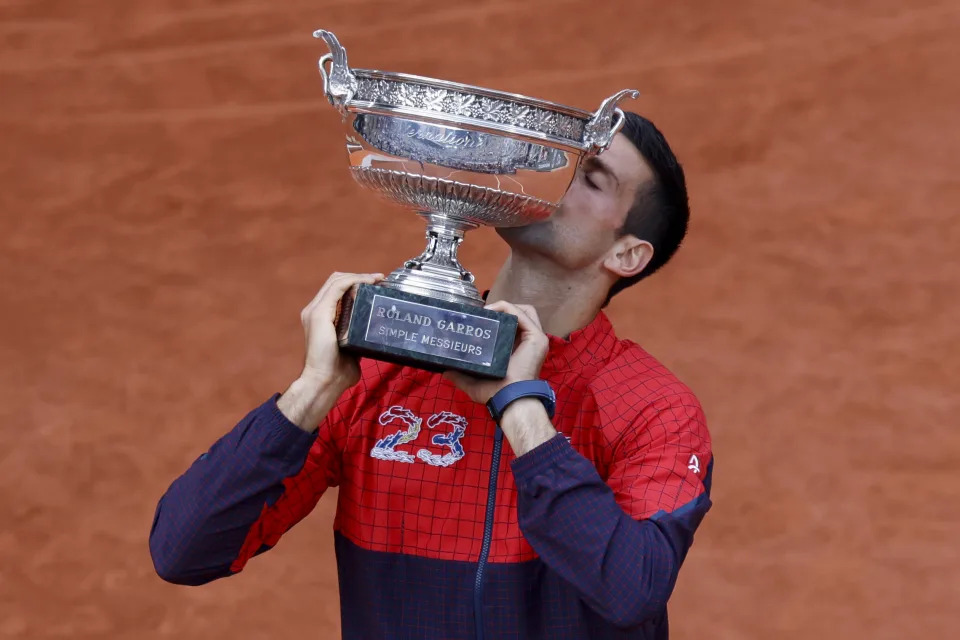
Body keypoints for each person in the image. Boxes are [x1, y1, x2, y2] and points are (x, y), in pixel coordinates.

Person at [149, 112, 714, 640]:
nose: (559, 174)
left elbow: (630, 589)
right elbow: (184, 551)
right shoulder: (381, 375)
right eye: (561, 156)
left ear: (629, 255)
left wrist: (521, 412)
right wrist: (312, 391)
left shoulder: (652, 407)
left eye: (590, 177)